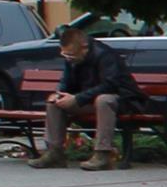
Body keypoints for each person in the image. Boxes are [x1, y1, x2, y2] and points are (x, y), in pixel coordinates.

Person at [35, 19, 126, 170]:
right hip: (88, 100)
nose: (68, 59)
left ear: (84, 48)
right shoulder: (72, 57)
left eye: (71, 55)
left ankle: (103, 154)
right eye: (65, 56)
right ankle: (54, 153)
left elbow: (110, 85)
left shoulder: (105, 55)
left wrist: (77, 98)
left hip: (120, 101)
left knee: (103, 99)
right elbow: (66, 81)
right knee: (53, 103)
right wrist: (59, 94)